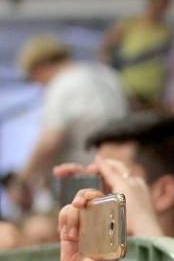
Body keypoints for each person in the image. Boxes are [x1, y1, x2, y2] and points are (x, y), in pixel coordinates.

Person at [54, 112, 174, 244]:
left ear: (163, 193)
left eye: (110, 179)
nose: (97, 196)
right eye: (96, 180)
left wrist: (142, 221)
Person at [16, 35, 128, 195]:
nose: (39, 85)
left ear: (39, 66)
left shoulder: (61, 85)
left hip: (86, 177)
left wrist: (22, 179)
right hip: (120, 172)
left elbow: (49, 140)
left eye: (34, 78)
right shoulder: (107, 75)